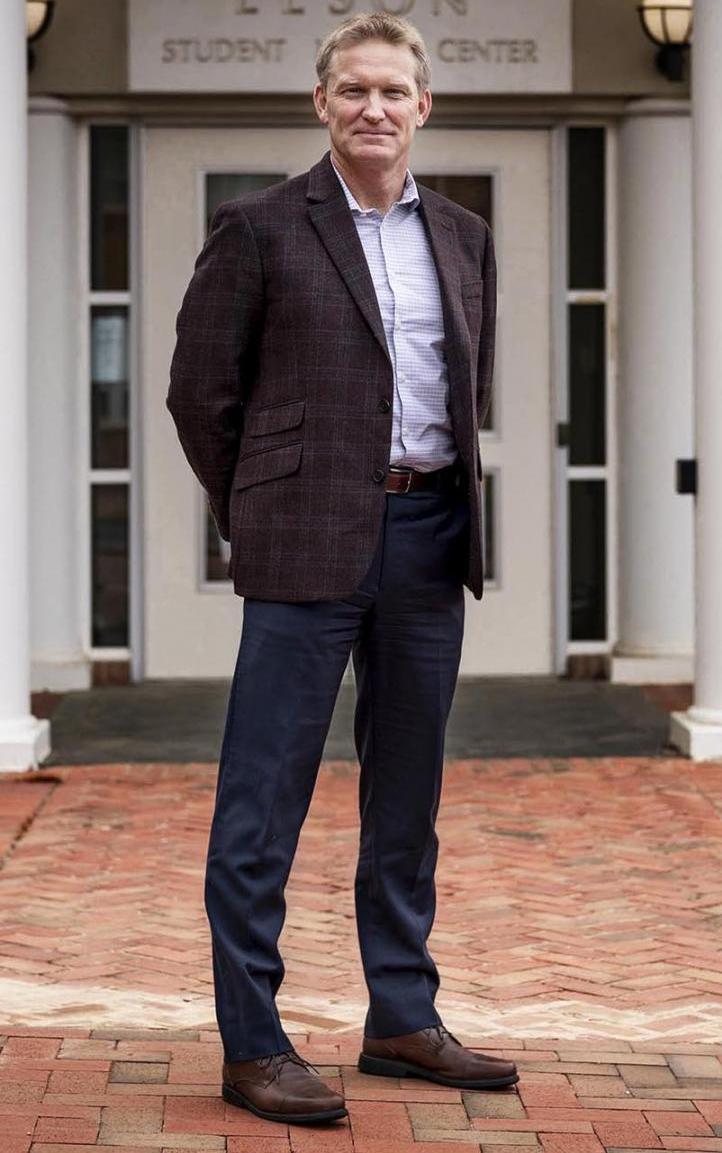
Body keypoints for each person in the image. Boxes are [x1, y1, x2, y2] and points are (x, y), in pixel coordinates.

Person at [166, 10, 518, 1127]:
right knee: (262, 798)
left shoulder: (462, 236)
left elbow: (469, 389)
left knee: (406, 793)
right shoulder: (260, 227)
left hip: (425, 543)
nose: (374, 107)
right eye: (353, 89)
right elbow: (197, 395)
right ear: (321, 103)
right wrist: (262, 507)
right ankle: (253, 1041)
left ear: (424, 107)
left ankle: (401, 1018)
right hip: (304, 543)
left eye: (392, 91)